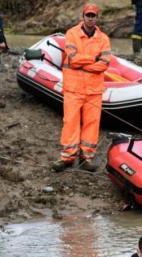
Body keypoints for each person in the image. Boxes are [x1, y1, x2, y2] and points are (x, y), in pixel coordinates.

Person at [52, 3, 112, 173]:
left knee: (92, 124)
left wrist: (85, 64)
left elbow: (105, 64)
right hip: (73, 88)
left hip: (94, 91)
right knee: (70, 122)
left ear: (97, 17)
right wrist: (94, 59)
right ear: (83, 16)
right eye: (88, 15)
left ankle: (86, 157)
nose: (91, 18)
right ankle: (67, 157)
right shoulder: (72, 34)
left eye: (93, 16)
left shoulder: (104, 39)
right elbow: (73, 59)